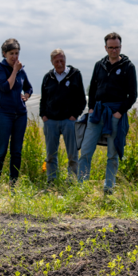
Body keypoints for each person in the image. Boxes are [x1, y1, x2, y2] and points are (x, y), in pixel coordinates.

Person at [78, 32, 138, 196]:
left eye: (116, 47)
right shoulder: (99, 65)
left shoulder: (128, 67)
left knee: (112, 154)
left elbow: (132, 95)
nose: (113, 50)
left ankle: (109, 188)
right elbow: (92, 88)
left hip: (115, 113)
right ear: (105, 48)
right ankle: (82, 187)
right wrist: (91, 109)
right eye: (110, 47)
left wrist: (119, 112)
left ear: (120, 47)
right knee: (86, 150)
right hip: (97, 112)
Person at [0, 38, 33, 189]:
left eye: (17, 53)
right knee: (1, 151)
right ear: (4, 53)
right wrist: (14, 70)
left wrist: (26, 96)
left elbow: (29, 87)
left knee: (16, 152)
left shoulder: (22, 70)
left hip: (20, 114)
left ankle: (13, 186)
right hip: (3, 113)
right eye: (11, 53)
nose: (15, 57)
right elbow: (5, 87)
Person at [40, 49, 86, 185]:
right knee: (50, 154)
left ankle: (71, 179)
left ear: (65, 60)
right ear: (52, 62)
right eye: (56, 61)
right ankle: (52, 180)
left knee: (72, 153)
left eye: (62, 60)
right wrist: (43, 115)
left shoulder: (75, 75)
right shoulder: (48, 77)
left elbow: (81, 99)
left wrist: (75, 115)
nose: (59, 64)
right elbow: (43, 99)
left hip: (69, 121)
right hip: (51, 121)